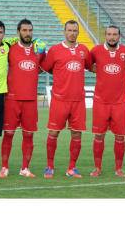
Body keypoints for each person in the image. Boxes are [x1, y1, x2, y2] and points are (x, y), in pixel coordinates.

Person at [40, 20, 93, 178]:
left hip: (78, 101)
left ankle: (72, 168)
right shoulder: (55, 50)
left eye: (75, 30)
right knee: (54, 133)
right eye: (69, 30)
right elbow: (44, 68)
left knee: (77, 135)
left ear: (78, 32)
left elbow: (90, 66)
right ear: (64, 32)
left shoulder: (84, 50)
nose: (72, 33)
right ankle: (49, 166)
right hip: (59, 99)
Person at [0, 19, 46, 178]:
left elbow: (42, 68)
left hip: (31, 100)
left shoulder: (39, 50)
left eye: (30, 30)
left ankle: (25, 168)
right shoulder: (9, 48)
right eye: (24, 30)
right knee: (9, 134)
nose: (28, 33)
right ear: (18, 32)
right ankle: (4, 167)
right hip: (12, 98)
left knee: (29, 135)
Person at [88, 25, 125, 177]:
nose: (112, 37)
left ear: (119, 36)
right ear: (105, 36)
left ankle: (118, 168)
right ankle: (97, 167)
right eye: (109, 34)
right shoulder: (96, 51)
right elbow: (89, 65)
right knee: (99, 135)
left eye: (115, 34)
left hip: (120, 101)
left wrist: (124, 75)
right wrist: (100, 71)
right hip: (100, 101)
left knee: (120, 136)